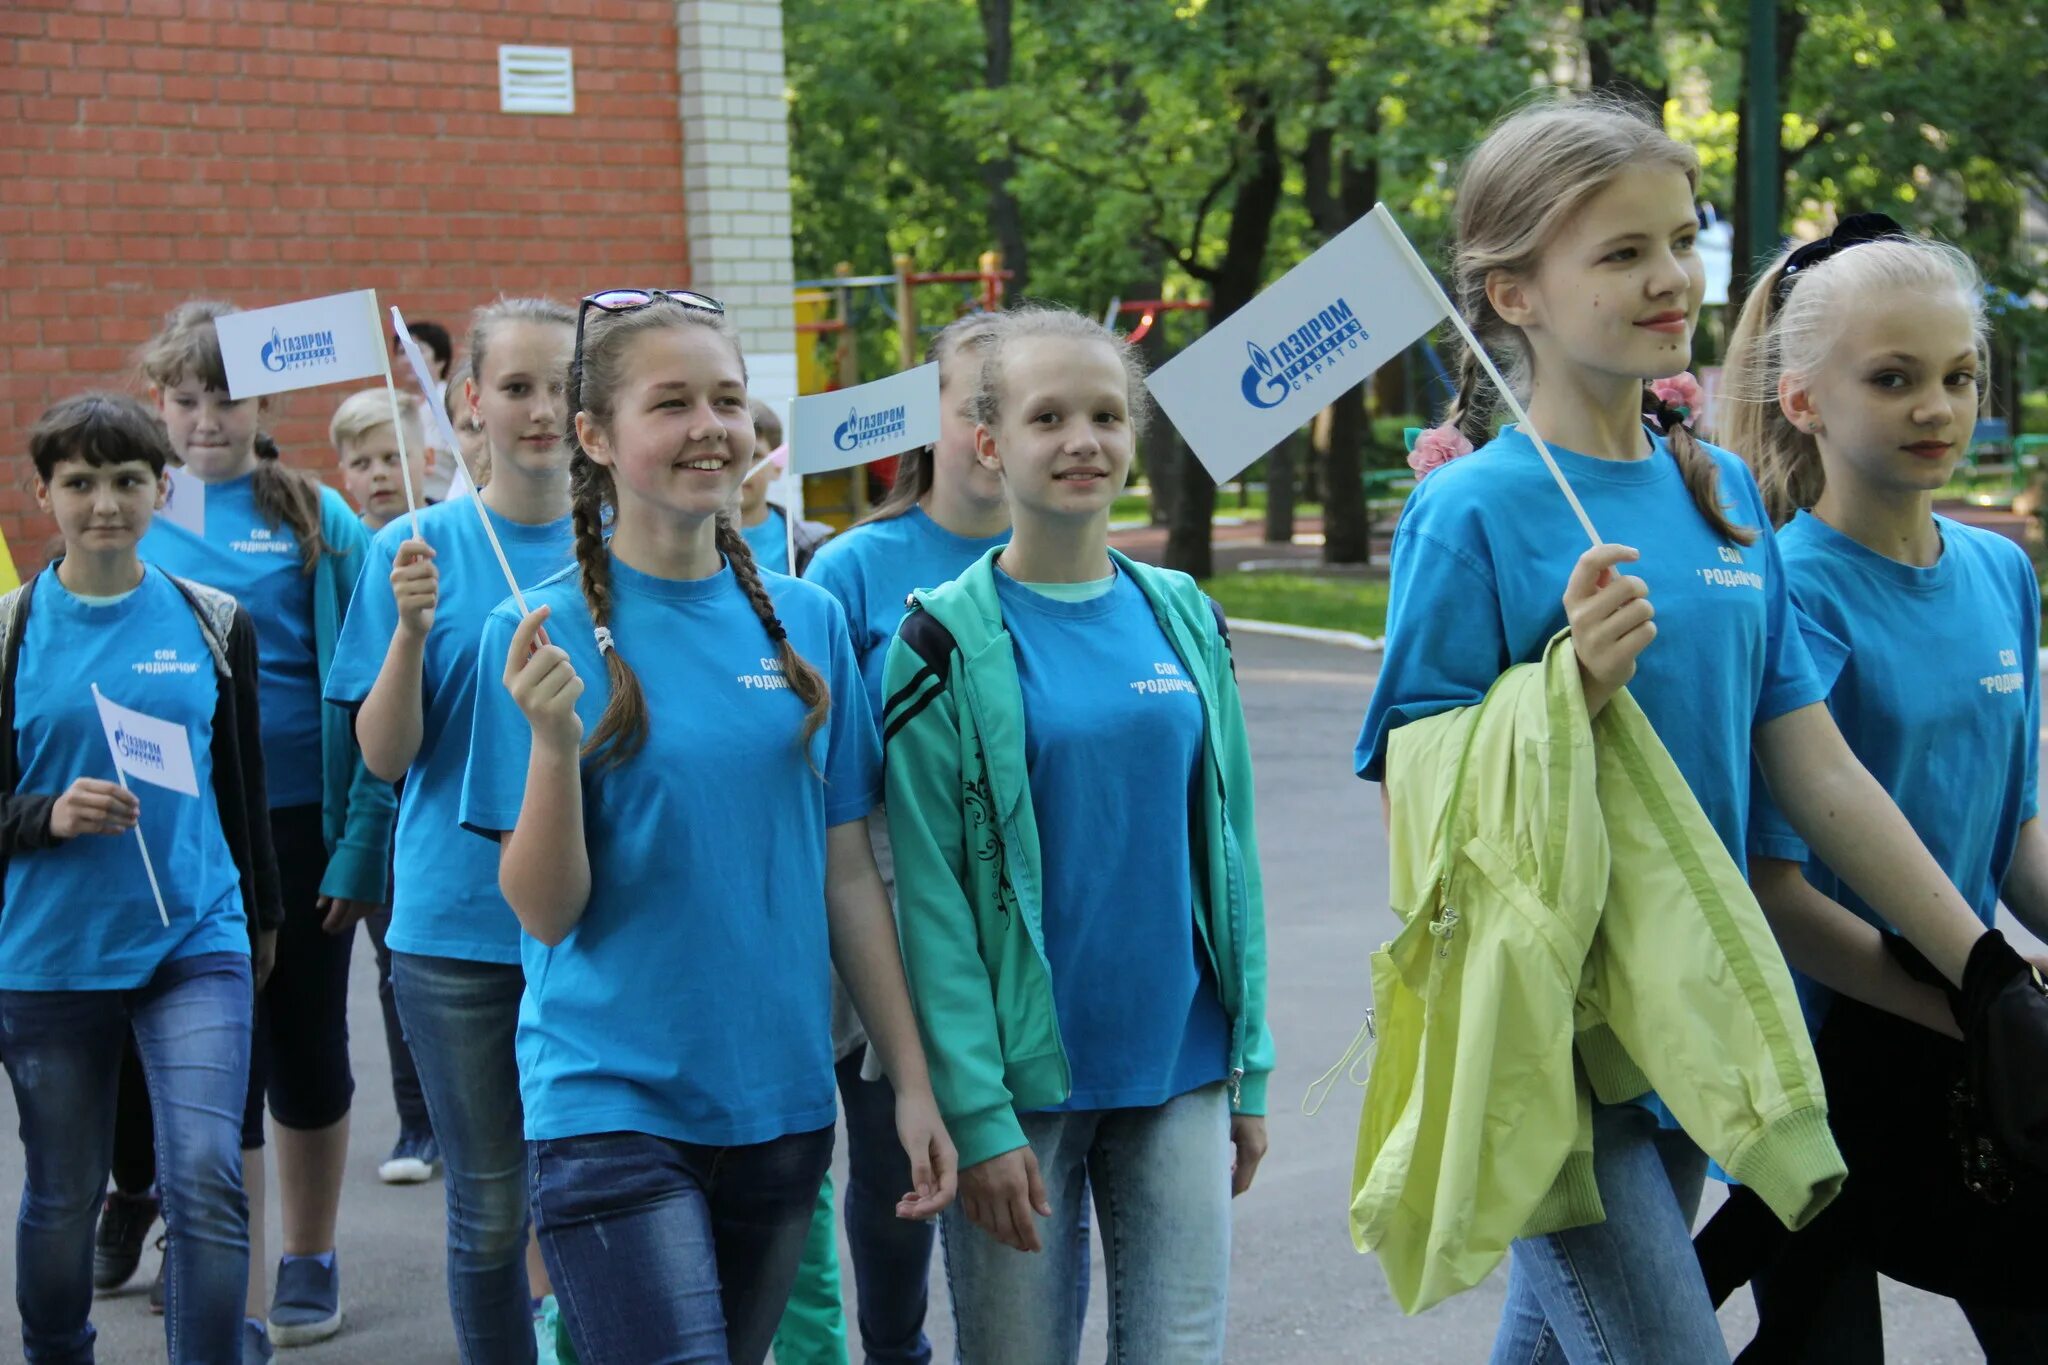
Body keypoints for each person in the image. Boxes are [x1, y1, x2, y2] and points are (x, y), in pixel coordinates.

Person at [1353, 97, 2015, 1365]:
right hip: (1545, 1042)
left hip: (1684, 1030)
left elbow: (1813, 769)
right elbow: (1414, 799)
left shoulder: (1715, 498)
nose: (1669, 278)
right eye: (1618, 254)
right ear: (1510, 296)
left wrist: (1979, 970)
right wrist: (1560, 691)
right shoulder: (1471, 514)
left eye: (1680, 238)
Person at [460, 288, 956, 1364]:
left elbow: (848, 879)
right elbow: (545, 912)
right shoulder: (531, 632)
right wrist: (551, 744)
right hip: (609, 1106)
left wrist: (909, 1083)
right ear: (594, 435)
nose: (708, 428)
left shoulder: (808, 618)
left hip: (777, 1106)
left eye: (726, 399)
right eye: (670, 402)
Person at [881, 304, 1272, 1364]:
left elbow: (1230, 851)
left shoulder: (1185, 612)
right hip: (1021, 1090)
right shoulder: (934, 641)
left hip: (1180, 1065)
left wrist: (1252, 1065)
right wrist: (977, 1111)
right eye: (1046, 417)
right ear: (987, 442)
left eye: (1105, 414)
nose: (1081, 440)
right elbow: (929, 898)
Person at [1713, 217, 2048, 1359]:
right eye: (1892, 379)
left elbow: (2009, 831)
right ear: (1802, 400)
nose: (1935, 409)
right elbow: (1776, 890)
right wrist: (1981, 1004)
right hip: (1815, 1079)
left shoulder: (2000, 571)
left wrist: (2004, 1005)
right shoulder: (1781, 592)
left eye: (1958, 378)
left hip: (1968, 1048)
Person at [138, 301, 395, 1360]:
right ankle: (218, 1268)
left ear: (264, 402)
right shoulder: (138, 508)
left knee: (305, 1044)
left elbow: (372, 676)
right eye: (186, 398)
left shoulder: (318, 517)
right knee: (206, 1059)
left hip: (297, 824)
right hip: (182, 831)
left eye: (227, 397)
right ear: (159, 404)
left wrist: (356, 841)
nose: (205, 419)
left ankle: (310, 1250)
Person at [329, 297, 581, 1364]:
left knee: (591, 1190)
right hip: (458, 932)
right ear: (468, 400)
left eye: (565, 388)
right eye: (517, 387)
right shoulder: (412, 546)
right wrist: (412, 635)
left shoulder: (630, 542)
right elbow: (384, 759)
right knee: (489, 1208)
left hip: (592, 925)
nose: (541, 411)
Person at [3, 392, 280, 1363]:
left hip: (193, 939)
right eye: (79, 483)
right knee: (64, 1188)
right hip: (49, 954)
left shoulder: (213, 620)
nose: (105, 503)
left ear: (163, 488)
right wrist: (48, 815)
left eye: (126, 480)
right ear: (44, 494)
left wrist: (262, 922)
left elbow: (243, 792)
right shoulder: (10, 631)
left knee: (205, 1173)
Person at [793, 313, 1026, 1365]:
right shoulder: (851, 567)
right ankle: (895, 1348)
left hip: (1026, 897)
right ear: (922, 420)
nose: (988, 425)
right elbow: (825, 775)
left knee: (1022, 1157)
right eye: (969, 401)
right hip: (887, 892)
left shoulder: (1063, 549)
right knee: (901, 1175)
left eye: (1003, 403)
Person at [328, 387, 441, 1186]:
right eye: (359, 462)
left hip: (432, 810)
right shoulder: (345, 558)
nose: (376, 474)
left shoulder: (445, 544)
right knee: (396, 971)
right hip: (376, 806)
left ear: (423, 459)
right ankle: (416, 1121)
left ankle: (436, 1117)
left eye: (388, 457)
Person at [736, 398, 832, 575]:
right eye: (733, 453)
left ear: (777, 467)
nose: (742, 467)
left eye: (754, 455)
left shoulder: (812, 545)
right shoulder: (689, 543)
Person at [331, 388, 435, 534]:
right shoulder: (340, 551)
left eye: (393, 458)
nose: (378, 474)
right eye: (361, 463)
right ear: (345, 475)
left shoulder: (460, 529)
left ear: (428, 460)